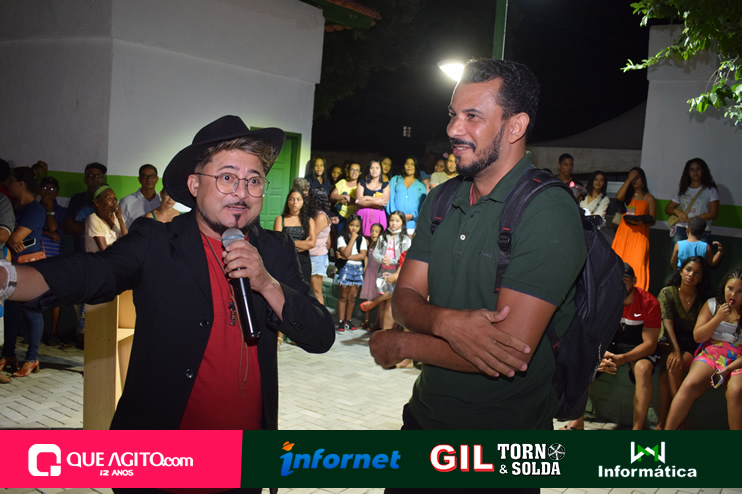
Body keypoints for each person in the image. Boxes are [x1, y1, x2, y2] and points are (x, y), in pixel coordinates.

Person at [0, 115, 335, 435]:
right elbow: (91, 272)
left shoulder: (275, 250)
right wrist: (8, 278)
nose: (242, 192)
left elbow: (320, 336)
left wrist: (267, 283)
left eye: (254, 180)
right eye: (227, 177)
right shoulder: (156, 242)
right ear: (194, 184)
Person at [369, 58, 586, 434]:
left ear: (515, 126)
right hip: (422, 419)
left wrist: (404, 346)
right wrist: (446, 322)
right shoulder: (441, 199)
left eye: (473, 116)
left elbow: (507, 351)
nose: (454, 129)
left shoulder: (547, 210)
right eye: (453, 114)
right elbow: (404, 298)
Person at [564, 263, 662, 430]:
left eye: (625, 280)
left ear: (634, 281)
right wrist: (600, 355)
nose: (620, 284)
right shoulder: (603, 298)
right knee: (583, 363)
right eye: (617, 280)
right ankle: (576, 422)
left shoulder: (649, 302)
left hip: (636, 345)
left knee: (643, 368)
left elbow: (650, 344)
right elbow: (593, 335)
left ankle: (637, 430)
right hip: (609, 344)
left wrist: (622, 359)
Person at [665, 269, 742, 430]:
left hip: (738, 360)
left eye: (739, 291)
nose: (733, 294)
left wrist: (728, 369)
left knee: (736, 391)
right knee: (689, 384)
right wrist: (718, 318)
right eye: (730, 289)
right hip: (711, 353)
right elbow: (698, 337)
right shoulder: (712, 304)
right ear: (724, 287)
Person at [655, 256, 712, 429]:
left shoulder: (704, 299)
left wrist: (679, 352)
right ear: (680, 271)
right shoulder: (668, 292)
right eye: (688, 270)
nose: (691, 275)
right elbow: (667, 324)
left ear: (701, 278)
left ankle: (665, 424)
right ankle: (680, 421)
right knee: (671, 365)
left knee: (668, 372)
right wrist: (675, 350)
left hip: (693, 344)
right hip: (670, 341)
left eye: (697, 273)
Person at [2, 167, 47, 380]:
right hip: (12, 266)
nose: (8, 185)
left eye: (11, 181)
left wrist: (13, 239)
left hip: (30, 267)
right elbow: (13, 238)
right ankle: (8, 354)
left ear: (21, 184)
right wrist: (13, 240)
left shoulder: (35, 210)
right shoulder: (12, 206)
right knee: (11, 312)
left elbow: (15, 237)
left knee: (31, 311)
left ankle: (32, 357)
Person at [611, 167, 655, 291]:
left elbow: (652, 219)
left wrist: (642, 222)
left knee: (637, 263)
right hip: (624, 234)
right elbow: (619, 197)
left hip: (640, 235)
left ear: (643, 180)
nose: (634, 180)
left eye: (637, 178)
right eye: (632, 178)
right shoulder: (627, 196)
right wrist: (629, 179)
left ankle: (637, 293)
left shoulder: (649, 198)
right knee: (620, 261)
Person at [38, 176, 67, 346]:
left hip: (56, 257)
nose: (48, 192)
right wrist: (47, 233)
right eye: (45, 188)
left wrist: (50, 209)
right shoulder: (33, 208)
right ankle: (39, 331)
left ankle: (54, 332)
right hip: (38, 256)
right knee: (38, 294)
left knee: (56, 294)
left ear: (57, 192)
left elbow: (54, 227)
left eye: (52, 189)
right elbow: (31, 233)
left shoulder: (61, 210)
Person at [370, 211, 411, 331]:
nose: (393, 223)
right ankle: (381, 328)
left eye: (397, 221)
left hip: (396, 274)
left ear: (402, 223)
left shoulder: (405, 239)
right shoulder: (383, 237)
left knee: (390, 302)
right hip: (382, 273)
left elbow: (404, 257)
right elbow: (376, 253)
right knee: (382, 303)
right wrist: (382, 259)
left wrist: (391, 261)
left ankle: (387, 331)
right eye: (392, 220)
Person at [665, 157, 719, 245]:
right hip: (682, 228)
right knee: (679, 251)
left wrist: (695, 219)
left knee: (700, 253)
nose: (695, 172)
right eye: (692, 169)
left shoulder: (710, 190)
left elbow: (713, 213)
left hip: (701, 229)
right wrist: (677, 212)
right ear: (688, 172)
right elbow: (668, 209)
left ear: (703, 170)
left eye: (698, 169)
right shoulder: (682, 189)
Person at [63, 162, 107, 254]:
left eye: (98, 175)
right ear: (85, 179)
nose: (94, 178)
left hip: (102, 253)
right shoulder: (77, 199)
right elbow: (68, 228)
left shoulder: (107, 199)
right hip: (80, 253)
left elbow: (110, 226)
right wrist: (92, 224)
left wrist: (82, 226)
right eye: (91, 175)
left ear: (102, 179)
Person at [273, 188, 315, 283]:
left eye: (298, 199)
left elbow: (312, 243)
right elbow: (278, 242)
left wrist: (289, 242)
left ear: (303, 202)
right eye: (291, 199)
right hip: (285, 260)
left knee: (303, 289)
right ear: (287, 201)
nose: (294, 202)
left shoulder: (309, 220)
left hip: (303, 261)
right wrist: (303, 244)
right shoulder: (280, 219)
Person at [334, 214, 366, 333]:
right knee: (343, 296)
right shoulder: (341, 238)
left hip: (357, 269)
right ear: (347, 225)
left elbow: (362, 255)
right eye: (352, 225)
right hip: (345, 268)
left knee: (352, 297)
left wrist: (345, 257)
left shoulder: (362, 239)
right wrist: (352, 239)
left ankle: (348, 320)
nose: (354, 228)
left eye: (357, 226)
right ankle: (341, 321)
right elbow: (346, 252)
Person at [386, 156, 426, 235]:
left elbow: (423, 204)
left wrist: (412, 215)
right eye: (407, 164)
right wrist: (396, 216)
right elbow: (389, 199)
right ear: (403, 166)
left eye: (412, 164)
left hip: (412, 224)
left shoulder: (421, 185)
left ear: (416, 167)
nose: (409, 166)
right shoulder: (395, 180)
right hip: (395, 223)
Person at [85, 185, 128, 253]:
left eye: (114, 198)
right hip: (100, 259)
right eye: (109, 199)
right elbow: (104, 250)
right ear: (97, 202)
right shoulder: (93, 219)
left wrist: (120, 218)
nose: (114, 202)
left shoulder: (116, 216)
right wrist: (120, 245)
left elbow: (126, 240)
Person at [307, 187, 332, 305]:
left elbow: (311, 237)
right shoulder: (316, 215)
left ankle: (321, 315)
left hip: (316, 257)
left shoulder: (321, 217)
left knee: (316, 291)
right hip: (312, 255)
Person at [359, 222, 384, 330]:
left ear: (381, 233)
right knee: (368, 296)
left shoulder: (382, 246)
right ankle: (367, 320)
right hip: (369, 273)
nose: (373, 233)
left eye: (376, 231)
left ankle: (377, 323)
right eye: (372, 231)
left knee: (377, 298)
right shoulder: (371, 243)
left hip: (377, 274)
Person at [356, 159, 389, 237]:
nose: (374, 170)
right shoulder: (362, 183)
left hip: (378, 216)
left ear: (381, 170)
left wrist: (365, 198)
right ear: (368, 170)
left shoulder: (385, 185)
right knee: (362, 240)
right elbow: (358, 202)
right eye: (372, 168)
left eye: (377, 168)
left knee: (377, 240)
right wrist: (376, 201)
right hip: (363, 215)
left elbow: (383, 203)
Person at [330, 162, 361, 234]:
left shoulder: (360, 185)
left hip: (354, 217)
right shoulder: (342, 182)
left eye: (357, 170)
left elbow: (361, 201)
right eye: (352, 169)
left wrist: (350, 200)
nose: (354, 172)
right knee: (340, 238)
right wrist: (345, 196)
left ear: (360, 173)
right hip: (340, 216)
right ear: (348, 171)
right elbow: (332, 196)